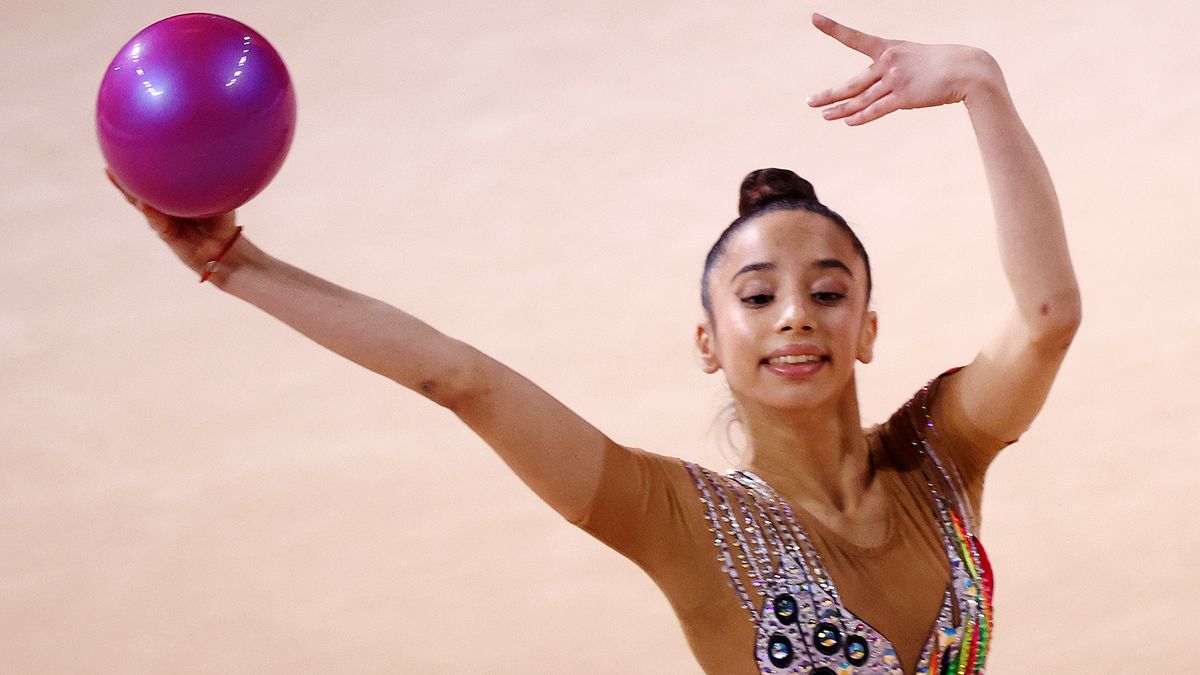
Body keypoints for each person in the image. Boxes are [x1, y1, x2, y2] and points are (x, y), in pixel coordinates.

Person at [109, 14, 1080, 675]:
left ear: (867, 328)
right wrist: (235, 264)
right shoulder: (681, 521)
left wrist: (981, 87)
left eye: (828, 292)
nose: (795, 314)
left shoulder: (938, 458)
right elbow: (460, 377)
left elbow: (1047, 317)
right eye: (757, 295)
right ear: (709, 341)